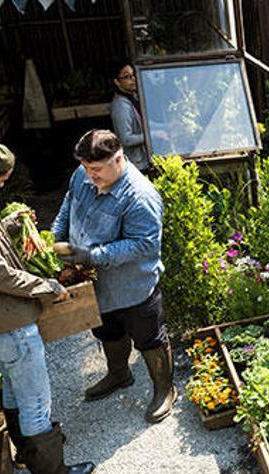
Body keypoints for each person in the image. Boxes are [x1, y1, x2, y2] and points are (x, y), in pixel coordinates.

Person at [0, 138, 95, 474]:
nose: (2, 185)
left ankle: (26, 452)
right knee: (35, 397)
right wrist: (46, 286)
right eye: (1, 180)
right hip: (6, 317)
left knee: (14, 385)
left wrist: (9, 223)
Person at [51, 129, 174, 423]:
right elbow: (69, 204)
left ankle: (165, 390)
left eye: (95, 170)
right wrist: (54, 237)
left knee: (149, 338)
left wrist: (89, 255)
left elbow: (144, 245)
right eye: (85, 168)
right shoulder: (83, 176)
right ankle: (119, 374)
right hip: (97, 287)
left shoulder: (140, 196)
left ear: (118, 159)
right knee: (106, 330)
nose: (89, 176)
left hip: (133, 287)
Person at [109, 60, 149, 172]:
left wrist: (164, 126)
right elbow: (126, 139)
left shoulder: (132, 97)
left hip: (143, 159)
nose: (133, 79)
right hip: (136, 164)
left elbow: (143, 122)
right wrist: (150, 136)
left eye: (133, 75)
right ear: (117, 82)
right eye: (127, 77)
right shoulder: (120, 105)